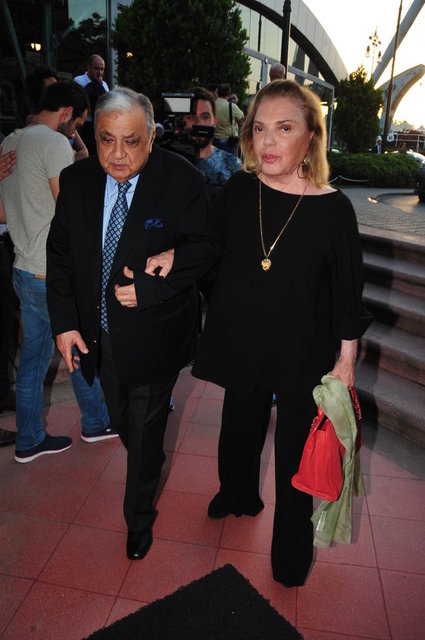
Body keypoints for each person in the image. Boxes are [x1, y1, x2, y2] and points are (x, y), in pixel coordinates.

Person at [192, 79, 372, 588]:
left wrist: (346, 361)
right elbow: (207, 246)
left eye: (284, 129)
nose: (268, 142)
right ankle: (237, 494)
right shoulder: (239, 190)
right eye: (260, 129)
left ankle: (291, 558)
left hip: (303, 350)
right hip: (245, 337)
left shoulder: (334, 210)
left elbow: (347, 294)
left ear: (310, 137)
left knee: (295, 452)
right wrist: (171, 259)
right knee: (239, 424)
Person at [46, 87, 218, 561]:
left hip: (156, 335)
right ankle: (149, 449)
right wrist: (64, 323)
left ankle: (138, 519)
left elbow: (205, 247)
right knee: (126, 421)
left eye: (132, 141)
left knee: (142, 432)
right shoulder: (76, 181)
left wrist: (156, 284)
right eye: (107, 140)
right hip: (98, 336)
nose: (118, 154)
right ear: (93, 135)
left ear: (152, 137)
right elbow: (60, 255)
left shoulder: (181, 179)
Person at [0, 80, 116, 464]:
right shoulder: (52, 144)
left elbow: (3, 211)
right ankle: (95, 422)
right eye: (77, 123)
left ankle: (31, 438)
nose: (76, 131)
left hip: (23, 266)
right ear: (67, 112)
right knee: (76, 345)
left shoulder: (12, 141)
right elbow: (69, 210)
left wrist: (76, 143)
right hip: (52, 271)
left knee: (34, 360)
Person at [182, 87, 241, 201]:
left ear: (215, 121)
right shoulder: (170, 163)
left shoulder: (231, 164)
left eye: (205, 117)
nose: (199, 123)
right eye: (191, 117)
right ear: (182, 121)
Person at [74, 54, 109, 155]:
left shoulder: (104, 84)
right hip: (86, 124)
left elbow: (106, 103)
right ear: (89, 67)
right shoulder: (79, 81)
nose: (100, 72)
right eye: (96, 69)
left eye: (102, 69)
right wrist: (97, 85)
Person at [214, 83, 244, 155]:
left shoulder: (211, 105)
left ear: (217, 92)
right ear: (229, 94)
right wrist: (235, 103)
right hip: (228, 142)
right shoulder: (231, 106)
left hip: (214, 140)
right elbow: (242, 120)